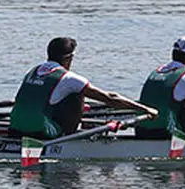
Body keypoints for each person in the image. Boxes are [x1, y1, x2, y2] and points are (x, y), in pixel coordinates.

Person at [8, 37, 156, 139]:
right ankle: (69, 136)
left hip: (14, 127)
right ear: (69, 58)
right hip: (41, 131)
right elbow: (110, 99)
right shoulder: (69, 78)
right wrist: (145, 109)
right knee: (78, 93)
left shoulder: (32, 71)